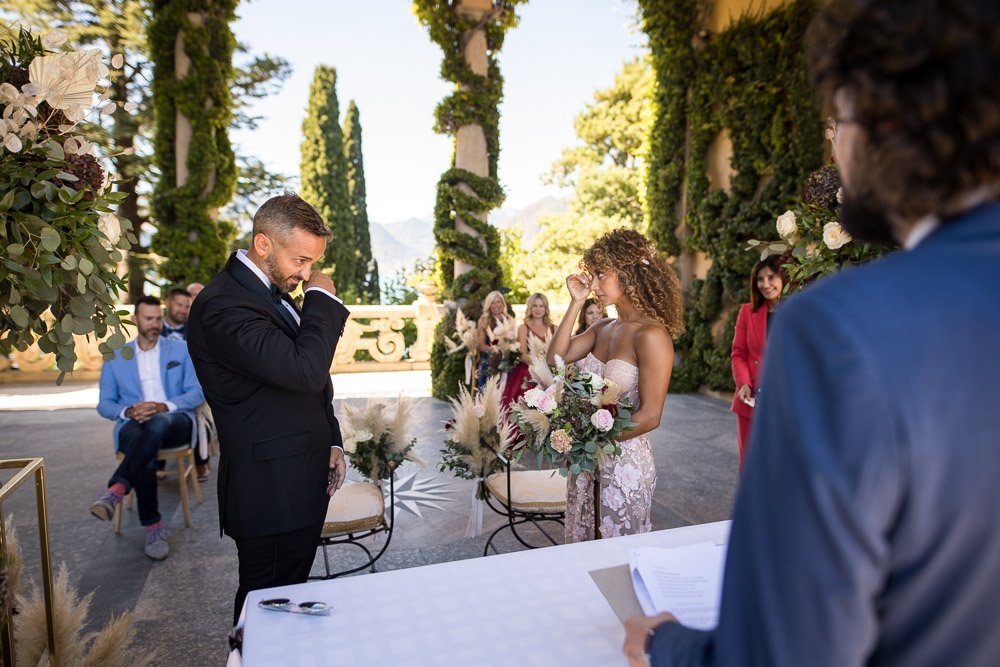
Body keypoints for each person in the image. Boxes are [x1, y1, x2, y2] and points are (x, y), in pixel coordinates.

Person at [625, 1, 1000, 664]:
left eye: (839, 119)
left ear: (895, 119)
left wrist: (664, 644)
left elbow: (781, 650)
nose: (833, 147)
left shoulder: (842, 330)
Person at [185, 193, 351, 625]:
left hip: (297, 478)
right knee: (264, 608)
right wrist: (323, 300)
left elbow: (306, 387)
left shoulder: (267, 291)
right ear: (263, 244)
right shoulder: (224, 304)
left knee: (288, 595)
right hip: (270, 491)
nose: (307, 273)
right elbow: (304, 370)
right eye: (300, 260)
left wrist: (331, 439)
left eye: (312, 264)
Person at [547, 228, 685, 541]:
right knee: (583, 546)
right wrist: (576, 303)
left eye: (600, 274)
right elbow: (555, 358)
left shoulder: (651, 336)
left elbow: (650, 416)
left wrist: (589, 442)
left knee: (616, 555)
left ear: (629, 274)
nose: (593, 285)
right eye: (591, 275)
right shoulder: (604, 327)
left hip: (623, 462)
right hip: (586, 462)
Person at [90, 296, 205, 561]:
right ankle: (154, 527)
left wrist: (161, 406)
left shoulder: (181, 350)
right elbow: (104, 405)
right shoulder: (116, 356)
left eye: (158, 318)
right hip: (135, 424)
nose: (155, 324)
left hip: (174, 420)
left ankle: (116, 490)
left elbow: (196, 394)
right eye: (149, 318)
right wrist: (129, 411)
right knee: (139, 438)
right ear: (135, 320)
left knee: (156, 422)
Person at [730, 255, 787, 470]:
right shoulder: (747, 311)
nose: (765, 284)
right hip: (752, 400)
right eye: (760, 279)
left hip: (786, 403)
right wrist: (743, 383)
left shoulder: (798, 311)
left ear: (783, 277)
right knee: (751, 464)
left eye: (771, 277)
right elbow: (738, 352)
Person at [502, 292, 556, 406]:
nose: (538, 309)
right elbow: (522, 354)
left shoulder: (554, 328)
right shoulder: (523, 328)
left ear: (546, 308)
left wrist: (549, 368)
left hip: (550, 370)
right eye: (534, 306)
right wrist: (539, 367)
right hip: (529, 368)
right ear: (530, 308)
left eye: (541, 306)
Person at [475, 290, 509, 390]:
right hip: (489, 357)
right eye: (492, 303)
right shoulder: (483, 321)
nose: (495, 305)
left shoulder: (509, 320)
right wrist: (495, 350)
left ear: (502, 303)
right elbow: (482, 346)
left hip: (505, 358)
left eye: (498, 302)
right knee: (488, 366)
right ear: (489, 305)